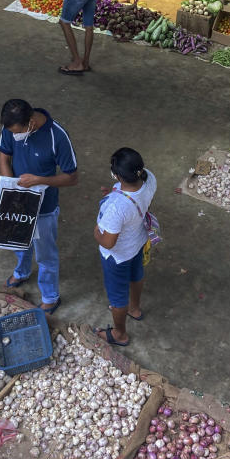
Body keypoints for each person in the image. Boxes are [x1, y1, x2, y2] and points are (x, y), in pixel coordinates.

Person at [0, 99, 78, 314]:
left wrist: (39, 181)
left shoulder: (57, 136)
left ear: (31, 122)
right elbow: (4, 157)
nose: (14, 136)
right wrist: (12, 187)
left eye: (18, 131)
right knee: (19, 242)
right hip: (18, 200)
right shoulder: (10, 127)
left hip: (45, 207)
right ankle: (22, 271)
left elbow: (72, 177)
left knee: (45, 254)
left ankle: (50, 296)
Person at [94, 148, 157, 347]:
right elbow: (140, 202)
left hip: (117, 256)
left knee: (117, 296)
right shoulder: (150, 179)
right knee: (136, 274)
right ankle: (135, 309)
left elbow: (108, 242)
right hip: (138, 242)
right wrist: (115, 192)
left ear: (118, 175)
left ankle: (119, 333)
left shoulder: (116, 207)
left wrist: (96, 231)